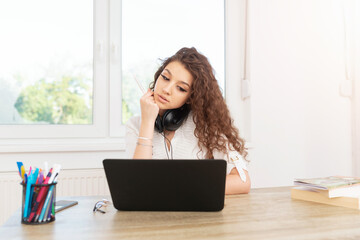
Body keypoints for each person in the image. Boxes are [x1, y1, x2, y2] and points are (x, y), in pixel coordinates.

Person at [126, 47, 250, 194]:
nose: (167, 89)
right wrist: (147, 122)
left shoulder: (204, 124)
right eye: (165, 78)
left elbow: (242, 181)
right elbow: (138, 184)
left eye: (181, 88)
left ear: (191, 97)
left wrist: (186, 187)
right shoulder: (135, 125)